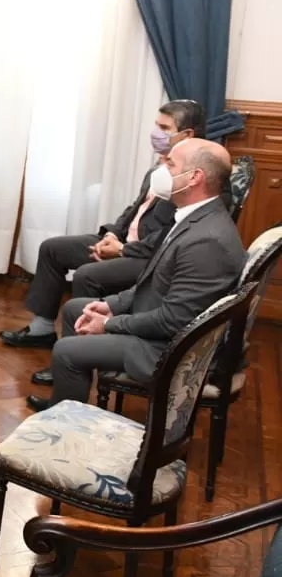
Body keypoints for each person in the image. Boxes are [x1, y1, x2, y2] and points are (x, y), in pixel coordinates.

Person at [29, 139, 246, 411]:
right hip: (162, 326)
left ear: (194, 178)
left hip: (170, 350)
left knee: (66, 351)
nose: (161, 168)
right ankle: (64, 404)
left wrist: (109, 324)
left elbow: (174, 321)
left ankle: (65, 423)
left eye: (170, 164)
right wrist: (111, 305)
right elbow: (153, 281)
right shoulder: (195, 217)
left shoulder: (207, 241)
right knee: (76, 309)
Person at [0, 99, 207, 357]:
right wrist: (111, 234)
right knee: (53, 249)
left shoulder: (195, 175)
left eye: (164, 127)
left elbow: (173, 234)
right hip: (123, 243)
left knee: (87, 275)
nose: (155, 133)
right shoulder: (160, 164)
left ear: (187, 134)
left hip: (148, 258)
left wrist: (123, 250)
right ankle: (41, 329)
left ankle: (76, 353)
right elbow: (135, 208)